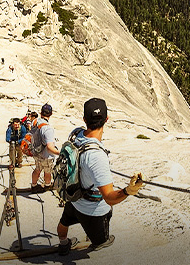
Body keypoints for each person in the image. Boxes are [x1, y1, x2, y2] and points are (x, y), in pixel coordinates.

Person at [56, 98, 145, 255]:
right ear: (106, 119)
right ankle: (99, 242)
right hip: (91, 210)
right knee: (101, 239)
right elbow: (109, 198)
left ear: (84, 119)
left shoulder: (75, 133)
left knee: (65, 221)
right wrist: (128, 191)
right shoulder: (96, 156)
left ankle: (63, 243)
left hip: (73, 196)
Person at [30, 104, 59, 192]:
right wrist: (60, 153)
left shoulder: (34, 122)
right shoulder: (48, 129)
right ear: (51, 114)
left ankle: (34, 185)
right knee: (47, 171)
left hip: (36, 152)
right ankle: (47, 185)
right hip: (46, 155)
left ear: (40, 112)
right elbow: (50, 147)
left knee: (37, 169)